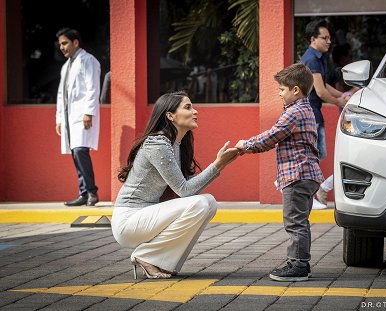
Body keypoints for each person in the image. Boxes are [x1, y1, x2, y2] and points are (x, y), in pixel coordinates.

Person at [111, 91, 239, 279]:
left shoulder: (177, 144)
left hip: (146, 216)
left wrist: (221, 164)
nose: (195, 111)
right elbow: (185, 191)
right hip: (129, 220)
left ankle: (160, 260)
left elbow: (187, 188)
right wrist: (219, 164)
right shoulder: (157, 143)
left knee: (208, 202)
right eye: (188, 107)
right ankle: (146, 256)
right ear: (170, 115)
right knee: (201, 203)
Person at [235, 63, 324, 282]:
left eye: (282, 89)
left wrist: (244, 145)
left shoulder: (294, 113)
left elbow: (270, 137)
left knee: (295, 222)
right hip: (305, 174)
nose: (278, 93)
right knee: (299, 220)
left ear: (295, 90)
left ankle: (299, 265)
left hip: (297, 175)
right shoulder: (306, 109)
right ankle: (300, 262)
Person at [300, 19, 351, 209]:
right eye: (325, 38)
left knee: (315, 155)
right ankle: (308, 196)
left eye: (330, 38)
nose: (329, 41)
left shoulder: (318, 58)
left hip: (314, 114)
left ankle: (311, 193)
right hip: (310, 115)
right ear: (313, 39)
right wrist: (340, 101)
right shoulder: (312, 59)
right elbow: (320, 92)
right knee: (313, 156)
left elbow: (324, 85)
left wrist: (344, 95)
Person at [55, 28, 101, 206]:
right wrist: (59, 118)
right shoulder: (67, 66)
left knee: (81, 150)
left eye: (65, 43)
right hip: (69, 117)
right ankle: (84, 193)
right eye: (60, 44)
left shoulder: (87, 60)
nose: (62, 47)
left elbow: (93, 87)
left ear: (75, 42)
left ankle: (91, 192)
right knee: (75, 152)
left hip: (82, 115)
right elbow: (61, 94)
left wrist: (88, 112)